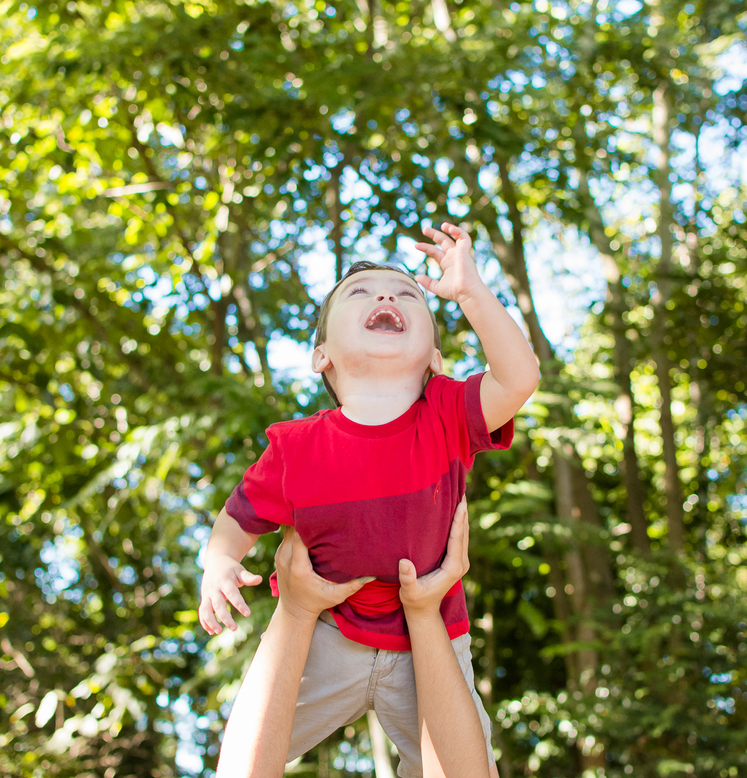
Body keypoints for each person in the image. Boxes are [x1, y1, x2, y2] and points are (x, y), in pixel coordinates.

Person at [200, 222, 539, 778]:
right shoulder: (295, 447)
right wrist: (218, 562)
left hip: (430, 638)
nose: (386, 295)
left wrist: (471, 292)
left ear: (433, 354)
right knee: (241, 767)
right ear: (321, 357)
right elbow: (236, 519)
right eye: (360, 293)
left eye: (408, 294)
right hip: (329, 633)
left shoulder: (449, 415)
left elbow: (519, 377)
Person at [217, 498, 491, 778]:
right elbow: (246, 504)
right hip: (327, 623)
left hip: (424, 626)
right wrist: (223, 560)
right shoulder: (303, 453)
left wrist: (425, 615)